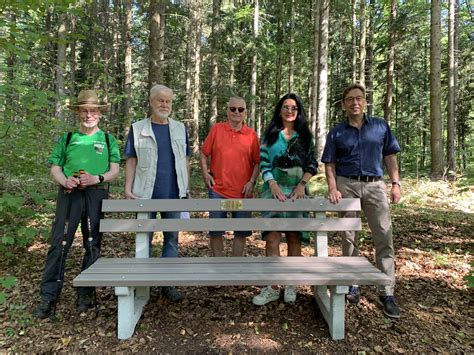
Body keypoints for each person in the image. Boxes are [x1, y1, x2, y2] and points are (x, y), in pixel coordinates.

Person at [33, 90, 121, 319]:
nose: (89, 115)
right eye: (84, 111)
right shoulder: (68, 138)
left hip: (96, 194)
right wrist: (65, 180)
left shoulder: (109, 139)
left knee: (92, 243)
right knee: (59, 243)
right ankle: (48, 296)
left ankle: (86, 293)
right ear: (78, 113)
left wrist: (97, 178)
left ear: (99, 113)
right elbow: (55, 167)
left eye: (93, 111)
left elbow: (114, 171)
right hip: (69, 194)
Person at [321, 83, 401, 319]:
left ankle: (387, 292)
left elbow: (390, 156)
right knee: (348, 236)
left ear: (365, 101)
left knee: (384, 235)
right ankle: (352, 283)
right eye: (350, 99)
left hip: (375, 184)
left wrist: (396, 183)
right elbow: (330, 163)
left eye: (359, 98)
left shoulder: (380, 126)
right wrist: (333, 187)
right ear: (344, 104)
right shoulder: (336, 132)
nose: (355, 103)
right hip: (346, 184)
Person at [124, 84, 191, 302]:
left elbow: (185, 160)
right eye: (160, 100)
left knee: (171, 239)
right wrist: (128, 188)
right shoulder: (137, 128)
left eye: (168, 101)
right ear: (151, 102)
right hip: (145, 194)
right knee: (145, 239)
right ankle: (143, 285)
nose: (164, 104)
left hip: (174, 194)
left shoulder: (180, 128)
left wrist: (186, 187)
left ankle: (167, 283)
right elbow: (131, 160)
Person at [252, 93, 318, 306]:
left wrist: (302, 185)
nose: (290, 111)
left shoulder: (306, 136)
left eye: (294, 108)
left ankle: (291, 283)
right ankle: (272, 285)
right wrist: (272, 184)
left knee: (294, 236)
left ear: (298, 111)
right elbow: (263, 163)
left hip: (297, 193)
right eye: (286, 107)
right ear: (279, 110)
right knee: (272, 237)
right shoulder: (270, 135)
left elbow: (312, 164)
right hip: (273, 192)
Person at [200, 97, 260, 257]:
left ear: (245, 112)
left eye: (240, 109)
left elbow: (258, 162)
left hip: (242, 193)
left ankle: (236, 269)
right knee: (215, 231)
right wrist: (205, 173)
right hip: (218, 191)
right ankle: (218, 270)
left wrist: (252, 181)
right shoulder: (217, 129)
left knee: (240, 232)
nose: (236, 112)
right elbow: (204, 152)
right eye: (233, 109)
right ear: (227, 111)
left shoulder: (252, 135)